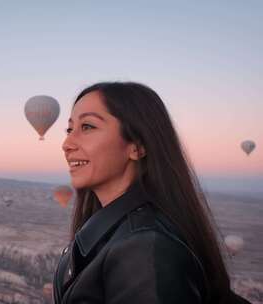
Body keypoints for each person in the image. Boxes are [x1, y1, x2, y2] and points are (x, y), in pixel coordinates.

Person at [54, 82, 250, 304]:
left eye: (87, 127)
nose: (67, 143)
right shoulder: (116, 234)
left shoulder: (144, 249)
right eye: (69, 129)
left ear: (137, 146)